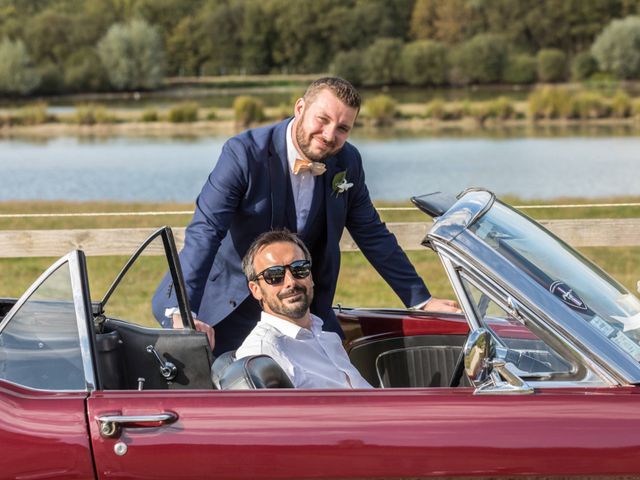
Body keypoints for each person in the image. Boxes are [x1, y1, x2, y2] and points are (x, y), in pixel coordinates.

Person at [152, 76, 458, 356]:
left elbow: (372, 233)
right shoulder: (243, 154)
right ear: (300, 107)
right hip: (228, 307)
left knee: (335, 382)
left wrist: (420, 299)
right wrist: (184, 310)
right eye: (322, 120)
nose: (329, 135)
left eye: (343, 128)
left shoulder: (347, 161)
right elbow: (205, 231)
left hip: (305, 308)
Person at [236, 230, 371, 388]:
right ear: (256, 289)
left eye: (299, 269)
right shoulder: (262, 352)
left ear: (311, 277)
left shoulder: (328, 338)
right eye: (274, 275)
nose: (291, 282)